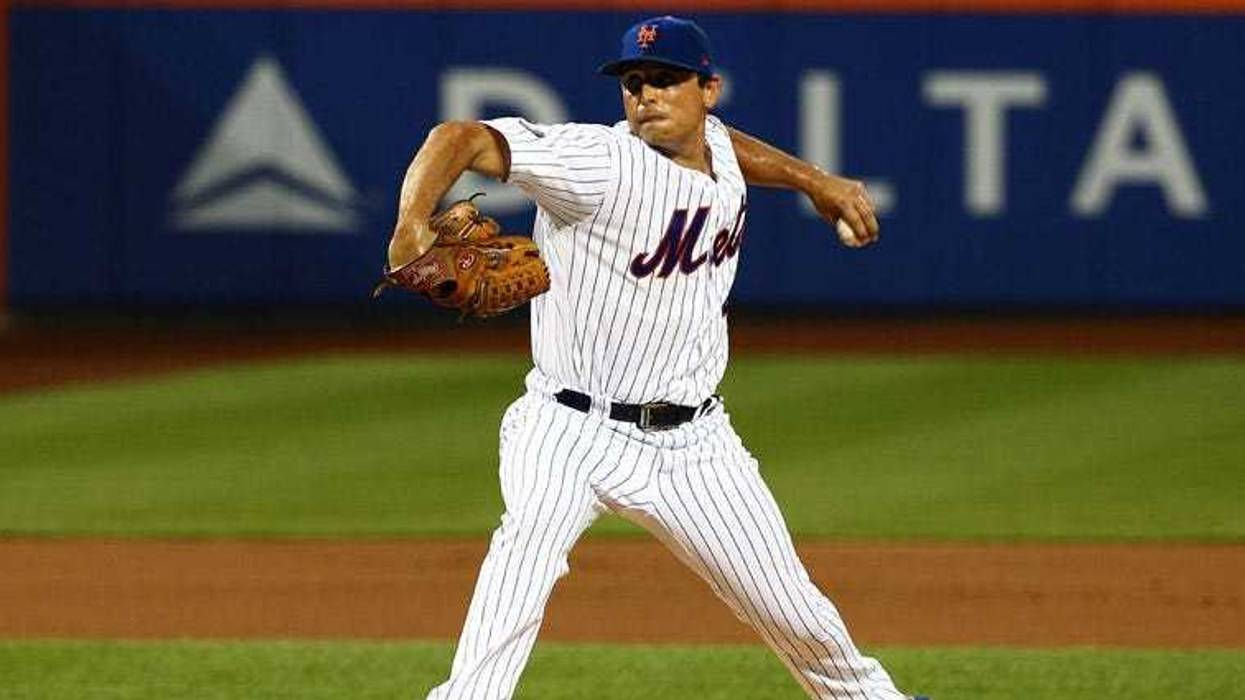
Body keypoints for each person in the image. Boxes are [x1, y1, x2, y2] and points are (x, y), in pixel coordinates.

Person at [386, 15, 921, 700]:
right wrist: (410, 225)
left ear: (708, 89)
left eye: (665, 80)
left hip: (695, 444)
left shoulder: (719, 151)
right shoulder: (597, 162)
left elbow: (729, 149)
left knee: (794, 611)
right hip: (568, 427)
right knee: (523, 556)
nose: (646, 94)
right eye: (633, 82)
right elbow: (455, 138)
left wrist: (816, 181)